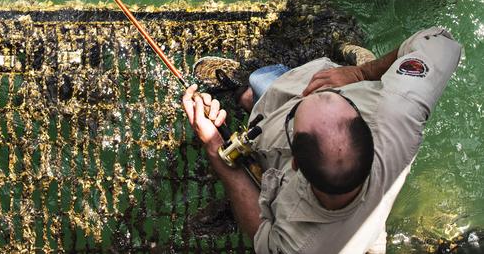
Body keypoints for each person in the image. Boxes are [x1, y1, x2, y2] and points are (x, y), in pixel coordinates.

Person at [182, 27, 462, 253]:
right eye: (331, 96)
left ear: (295, 165)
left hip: (294, 193)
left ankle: (253, 97)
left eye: (297, 113)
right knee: (260, 87)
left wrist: (216, 153)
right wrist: (361, 73)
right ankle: (352, 57)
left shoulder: (299, 244)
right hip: (360, 229)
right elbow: (440, 43)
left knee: (259, 81)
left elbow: (263, 239)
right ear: (366, 132)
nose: (312, 93)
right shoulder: (399, 118)